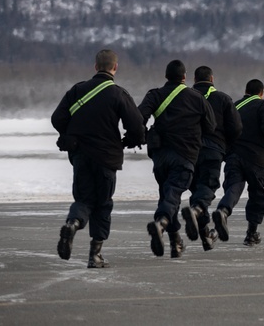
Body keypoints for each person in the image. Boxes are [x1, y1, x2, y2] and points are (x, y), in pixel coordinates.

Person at [51, 49, 144, 268]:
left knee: (83, 199)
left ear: (95, 67)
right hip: (107, 157)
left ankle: (73, 223)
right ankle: (95, 255)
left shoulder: (77, 90)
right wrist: (130, 140)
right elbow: (137, 127)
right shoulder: (119, 94)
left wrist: (71, 136)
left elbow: (57, 119)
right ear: (115, 67)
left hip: (81, 156)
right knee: (103, 204)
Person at [139, 59, 216, 258]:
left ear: (166, 76)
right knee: (173, 194)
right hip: (185, 155)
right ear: (184, 77)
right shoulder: (197, 98)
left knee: (167, 195)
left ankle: (175, 243)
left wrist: (144, 135)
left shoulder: (154, 95)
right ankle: (161, 223)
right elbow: (210, 127)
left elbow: (139, 117)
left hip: (160, 157)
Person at [210, 79, 264, 246]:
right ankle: (251, 233)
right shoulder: (263, 105)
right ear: (261, 93)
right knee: (256, 193)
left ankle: (223, 211)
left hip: (233, 155)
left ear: (246, 91)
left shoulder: (234, 105)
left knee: (234, 187)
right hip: (255, 157)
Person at [182, 65, 242, 251]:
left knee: (197, 191)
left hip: (188, 151)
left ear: (194, 79)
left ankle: (206, 235)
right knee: (208, 187)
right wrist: (226, 146)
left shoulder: (185, 97)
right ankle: (196, 211)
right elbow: (236, 128)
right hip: (212, 150)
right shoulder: (223, 99)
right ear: (212, 79)